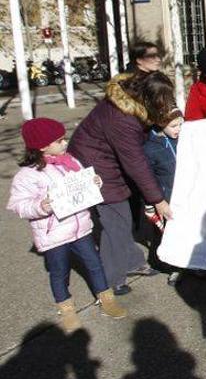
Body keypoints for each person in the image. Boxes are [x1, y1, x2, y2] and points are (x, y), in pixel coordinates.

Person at [7, 118, 128, 333]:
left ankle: (105, 297)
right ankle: (66, 307)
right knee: (59, 271)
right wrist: (40, 206)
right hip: (53, 234)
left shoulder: (70, 162)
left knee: (94, 263)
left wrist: (94, 183)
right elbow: (18, 205)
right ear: (43, 146)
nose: (65, 143)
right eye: (60, 140)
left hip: (80, 227)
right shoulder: (27, 175)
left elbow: (82, 185)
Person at [68, 71, 177, 295]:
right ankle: (112, 278)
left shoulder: (132, 100)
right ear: (148, 98)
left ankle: (132, 262)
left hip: (106, 158)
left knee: (123, 217)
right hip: (95, 166)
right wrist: (158, 201)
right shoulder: (122, 119)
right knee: (116, 220)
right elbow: (135, 163)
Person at [143, 111, 183, 285]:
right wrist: (153, 201)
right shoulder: (150, 148)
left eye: (181, 124)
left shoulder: (184, 138)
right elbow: (147, 178)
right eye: (174, 126)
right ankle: (174, 267)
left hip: (187, 195)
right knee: (169, 234)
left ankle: (193, 263)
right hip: (167, 198)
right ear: (160, 124)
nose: (179, 129)